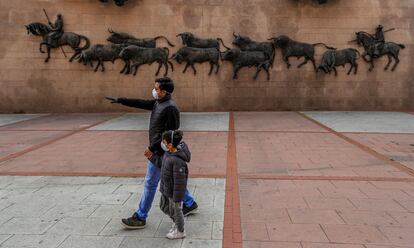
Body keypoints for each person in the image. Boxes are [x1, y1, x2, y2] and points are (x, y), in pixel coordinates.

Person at [105, 77, 198, 229]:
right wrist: (121, 100)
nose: (154, 90)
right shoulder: (159, 103)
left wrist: (152, 149)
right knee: (167, 180)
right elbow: (141, 103)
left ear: (164, 91)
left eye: (156, 88)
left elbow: (171, 136)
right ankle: (189, 203)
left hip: (161, 152)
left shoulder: (170, 108)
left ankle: (140, 216)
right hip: (158, 150)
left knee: (150, 183)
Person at [159, 130, 189, 239]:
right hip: (167, 189)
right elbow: (163, 165)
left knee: (177, 210)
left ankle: (180, 231)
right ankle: (176, 222)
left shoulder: (178, 161)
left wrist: (177, 198)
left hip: (174, 193)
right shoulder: (169, 153)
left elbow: (180, 182)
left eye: (164, 142)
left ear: (170, 145)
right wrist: (151, 157)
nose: (162, 144)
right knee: (163, 206)